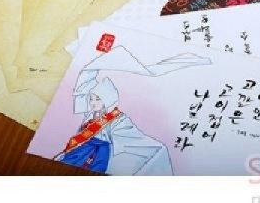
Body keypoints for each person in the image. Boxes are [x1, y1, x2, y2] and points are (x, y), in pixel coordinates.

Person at [54, 46, 211, 175]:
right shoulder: (90, 114)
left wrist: (157, 148)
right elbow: (84, 82)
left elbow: (134, 138)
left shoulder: (117, 119)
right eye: (92, 99)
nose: (93, 102)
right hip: (80, 148)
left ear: (107, 100)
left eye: (98, 99)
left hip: (97, 153)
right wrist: (99, 63)